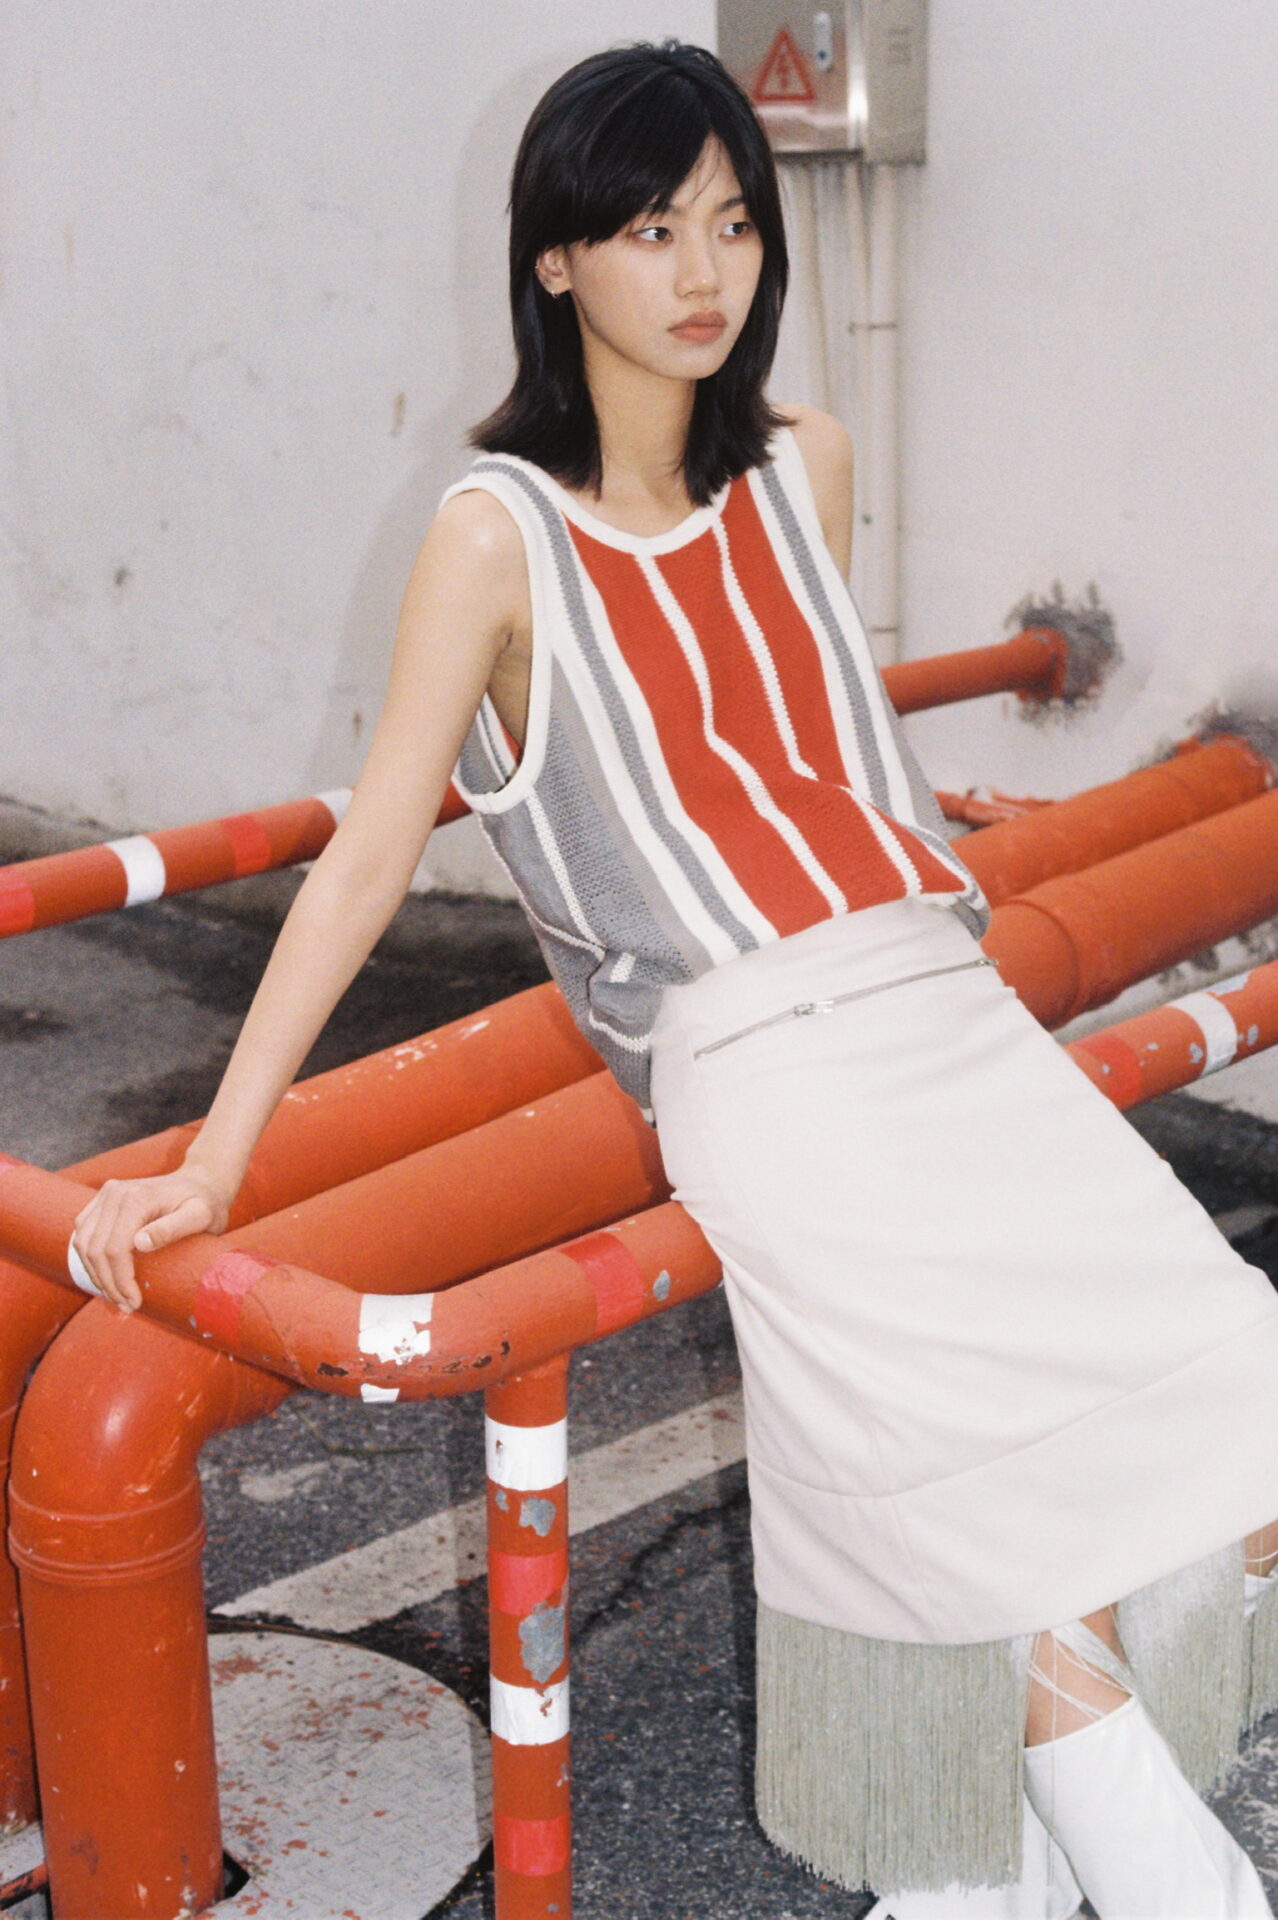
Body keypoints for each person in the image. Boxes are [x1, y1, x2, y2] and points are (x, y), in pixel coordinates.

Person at [70, 39, 1278, 1919]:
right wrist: (216, 1166)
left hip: (947, 1017)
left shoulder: (807, 463)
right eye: (648, 229)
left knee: (1222, 1403)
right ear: (556, 258)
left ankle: (981, 1888)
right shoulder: (495, 535)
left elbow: (798, 752)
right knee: (1014, 1545)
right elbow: (371, 856)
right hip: (765, 1067)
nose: (702, 270)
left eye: (730, 222)